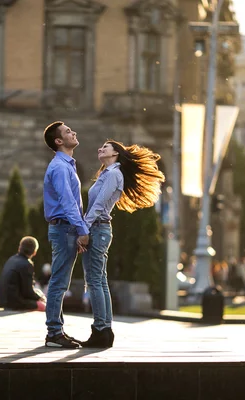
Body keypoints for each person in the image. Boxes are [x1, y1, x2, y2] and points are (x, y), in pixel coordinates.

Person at [79, 140, 165, 348]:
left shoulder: (113, 174)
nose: (100, 149)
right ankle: (104, 330)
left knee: (95, 281)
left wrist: (83, 228)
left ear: (115, 153)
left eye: (105, 147)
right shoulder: (107, 173)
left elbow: (99, 205)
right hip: (99, 228)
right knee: (100, 280)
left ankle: (101, 329)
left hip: (97, 228)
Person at [42, 121, 90, 349]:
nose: (74, 132)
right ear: (59, 141)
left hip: (65, 228)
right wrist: (81, 230)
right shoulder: (60, 167)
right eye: (68, 132)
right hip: (64, 228)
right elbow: (68, 202)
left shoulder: (66, 165)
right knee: (59, 282)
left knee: (61, 281)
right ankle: (53, 333)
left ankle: (57, 330)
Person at [0, 236, 46, 311]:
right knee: (43, 306)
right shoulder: (27, 264)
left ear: (19, 248)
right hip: (15, 303)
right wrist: (40, 298)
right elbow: (28, 292)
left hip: (3, 301)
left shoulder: (11, 259)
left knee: (38, 292)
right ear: (35, 252)